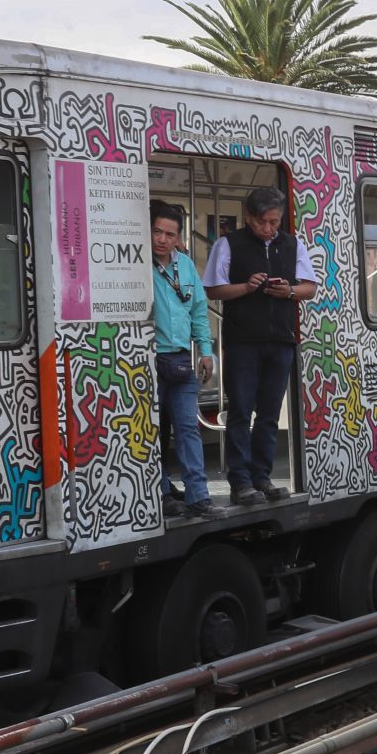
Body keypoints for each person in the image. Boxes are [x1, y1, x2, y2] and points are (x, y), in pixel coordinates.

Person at [204, 186, 315, 505]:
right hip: (242, 341)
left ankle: (262, 476)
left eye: (275, 222)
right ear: (248, 218)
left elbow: (309, 287)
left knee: (268, 413)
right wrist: (247, 286)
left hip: (281, 340)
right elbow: (213, 290)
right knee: (240, 410)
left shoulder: (292, 245)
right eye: (262, 222)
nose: (269, 229)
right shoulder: (229, 244)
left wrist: (289, 292)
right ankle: (240, 482)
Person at [150, 202, 216, 519]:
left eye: (170, 234)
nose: (162, 239)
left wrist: (206, 350)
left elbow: (199, 312)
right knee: (151, 431)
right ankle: (161, 491)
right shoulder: (135, 263)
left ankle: (198, 496)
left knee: (188, 427)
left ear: (179, 238)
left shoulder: (186, 265)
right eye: (157, 231)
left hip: (179, 358)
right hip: (146, 358)